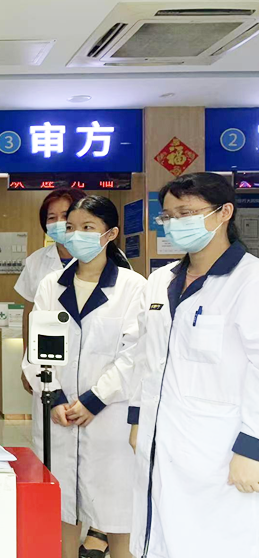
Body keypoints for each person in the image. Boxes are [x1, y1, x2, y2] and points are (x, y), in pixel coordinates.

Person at [128, 173, 259, 558]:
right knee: (160, 532)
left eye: (186, 213)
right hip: (160, 435)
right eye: (168, 216)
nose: (174, 224)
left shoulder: (250, 281)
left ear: (224, 213)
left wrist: (252, 448)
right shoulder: (159, 281)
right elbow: (144, 355)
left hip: (220, 448)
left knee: (216, 541)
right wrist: (137, 418)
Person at [22, 196, 146, 558]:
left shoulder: (133, 287)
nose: (76, 234)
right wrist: (55, 398)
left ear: (111, 234)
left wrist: (94, 400)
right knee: (60, 508)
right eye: (71, 227)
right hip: (58, 415)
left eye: (88, 227)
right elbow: (37, 350)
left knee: (117, 514)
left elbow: (135, 354)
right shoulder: (51, 285)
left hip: (108, 419)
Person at [15, 187, 88, 395]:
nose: (59, 223)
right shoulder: (36, 261)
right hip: (47, 356)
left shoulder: (108, 259)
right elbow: (29, 315)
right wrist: (27, 361)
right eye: (51, 217)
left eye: (65, 215)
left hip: (91, 359)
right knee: (49, 408)